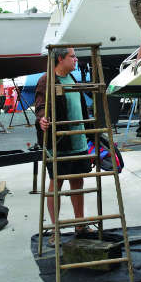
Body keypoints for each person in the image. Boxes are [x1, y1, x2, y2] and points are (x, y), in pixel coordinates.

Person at [35, 47, 94, 247]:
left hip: (78, 141)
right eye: (72, 56)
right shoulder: (47, 79)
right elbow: (41, 104)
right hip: (60, 142)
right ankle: (55, 230)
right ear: (60, 58)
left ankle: (79, 224)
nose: (76, 59)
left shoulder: (72, 79)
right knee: (56, 184)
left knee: (77, 181)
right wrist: (42, 119)